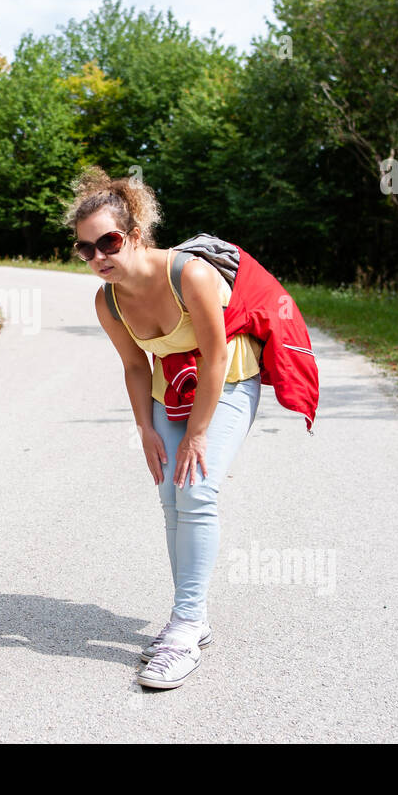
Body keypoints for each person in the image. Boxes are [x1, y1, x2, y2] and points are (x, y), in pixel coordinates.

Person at [63, 166, 263, 690]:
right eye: (85, 250)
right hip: (167, 392)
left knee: (195, 488)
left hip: (229, 383)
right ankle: (189, 620)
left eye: (107, 242)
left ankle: (186, 626)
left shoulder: (187, 274)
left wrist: (197, 435)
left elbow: (218, 355)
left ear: (134, 235)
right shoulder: (107, 301)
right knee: (171, 497)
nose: (98, 257)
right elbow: (135, 366)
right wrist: (145, 430)